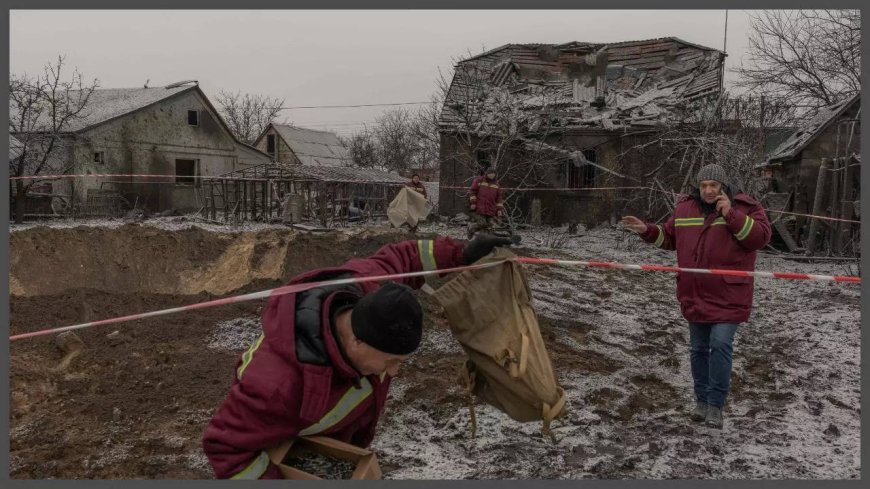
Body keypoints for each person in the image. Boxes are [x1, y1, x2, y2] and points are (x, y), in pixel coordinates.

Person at [202, 233, 514, 479]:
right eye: (390, 360)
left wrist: (462, 253)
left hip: (331, 440)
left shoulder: (369, 286)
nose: (394, 372)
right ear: (356, 341)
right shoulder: (278, 387)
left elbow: (405, 258)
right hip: (278, 441)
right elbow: (224, 447)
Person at [620, 164, 771, 429]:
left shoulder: (746, 208)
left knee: (720, 344)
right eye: (703, 186)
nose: (708, 190)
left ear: (724, 187)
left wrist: (731, 215)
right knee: (698, 349)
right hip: (694, 294)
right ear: (697, 187)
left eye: (714, 185)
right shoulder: (685, 208)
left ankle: (716, 405)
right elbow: (669, 238)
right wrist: (646, 230)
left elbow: (760, 239)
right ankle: (701, 402)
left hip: (729, 295)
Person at [467, 167, 505, 239]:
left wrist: (499, 209)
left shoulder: (496, 185)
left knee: (492, 224)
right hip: (479, 208)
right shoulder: (479, 181)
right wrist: (473, 203)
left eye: (493, 174)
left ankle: (486, 238)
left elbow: (499, 198)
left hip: (491, 209)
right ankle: (471, 228)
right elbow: (472, 191)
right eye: (490, 174)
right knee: (482, 223)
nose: (491, 175)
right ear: (487, 174)